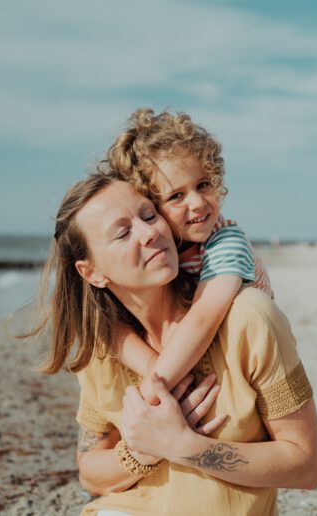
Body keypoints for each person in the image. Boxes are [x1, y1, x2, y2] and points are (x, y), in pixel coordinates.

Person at [35, 172, 317, 515]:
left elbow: (309, 466)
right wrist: (143, 450)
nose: (149, 233)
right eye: (123, 232)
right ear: (91, 272)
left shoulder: (248, 319)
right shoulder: (104, 348)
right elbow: (90, 473)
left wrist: (184, 445)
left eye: (148, 215)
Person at [103, 108, 273, 405]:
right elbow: (107, 326)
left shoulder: (226, 241)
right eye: (176, 196)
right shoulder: (158, 254)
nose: (197, 203)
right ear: (149, 207)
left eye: (203, 185)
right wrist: (151, 366)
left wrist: (147, 399)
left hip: (251, 368)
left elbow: (203, 319)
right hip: (190, 364)